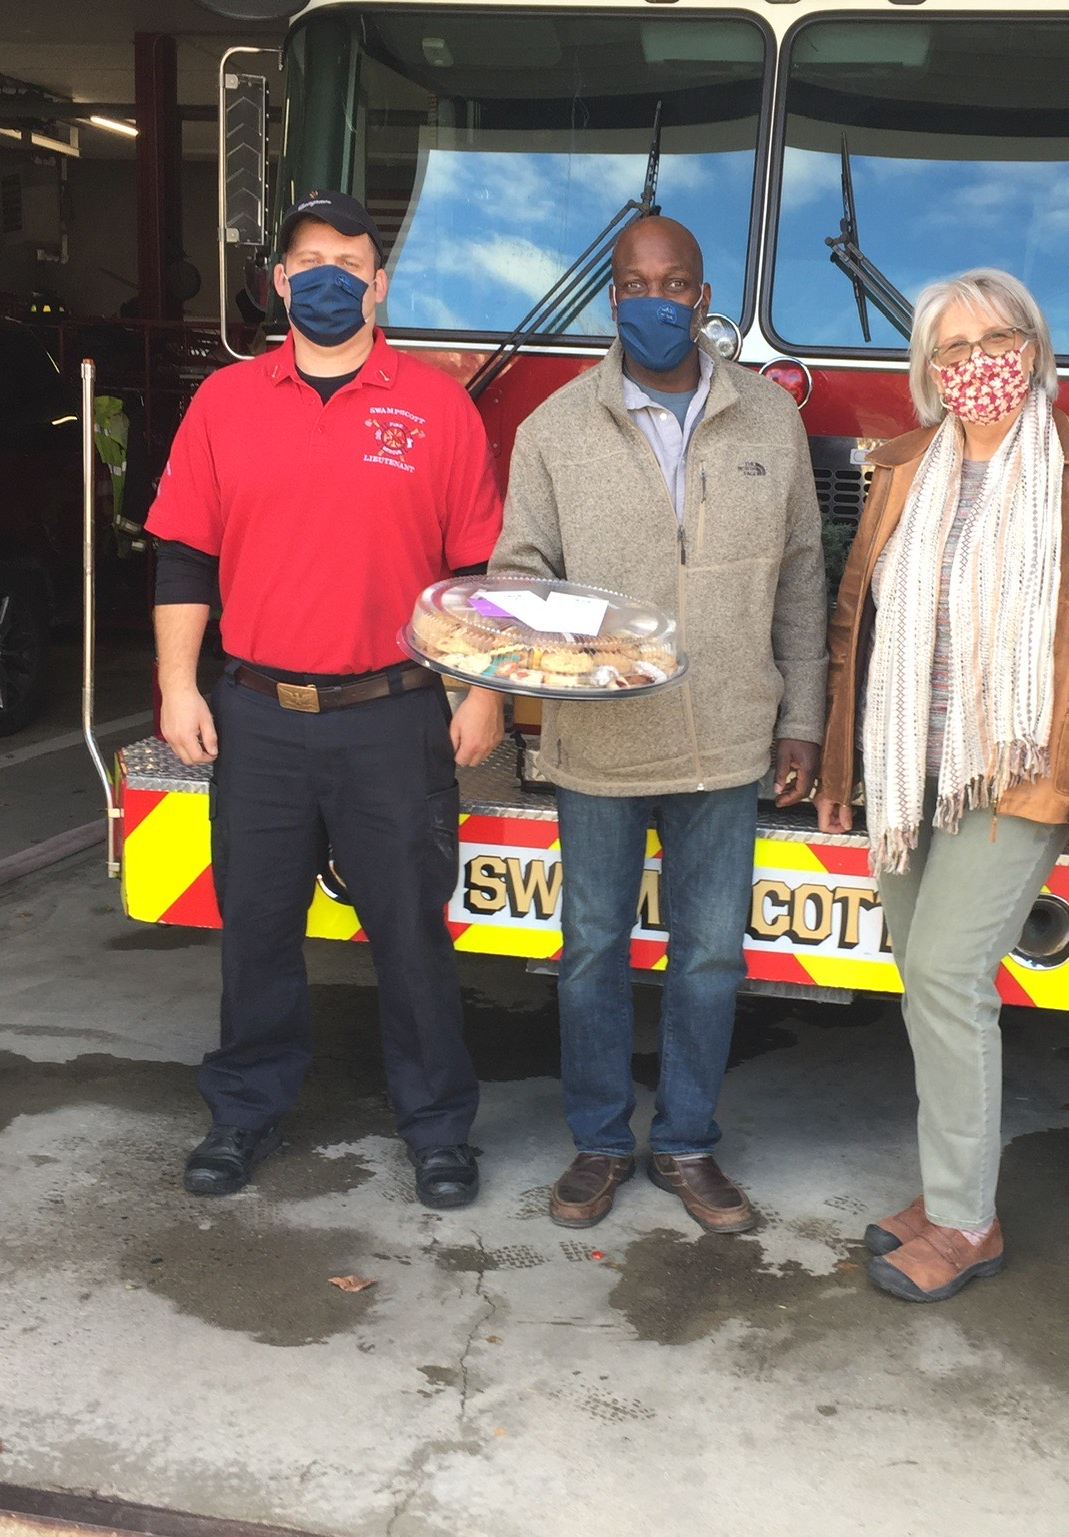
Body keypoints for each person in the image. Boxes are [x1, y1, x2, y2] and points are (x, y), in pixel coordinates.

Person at [143, 191, 507, 1207]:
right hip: (257, 716)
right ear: (278, 282)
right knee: (257, 930)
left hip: (394, 715)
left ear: (379, 285)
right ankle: (245, 1111)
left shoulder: (438, 406)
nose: (327, 279)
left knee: (411, 935)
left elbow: (476, 573)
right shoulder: (225, 402)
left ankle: (438, 1130)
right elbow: (184, 556)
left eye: (349, 263)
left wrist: (479, 694)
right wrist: (177, 685)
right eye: (308, 262)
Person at [815, 269, 1069, 1303]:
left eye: (997, 341)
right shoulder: (903, 464)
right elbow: (854, 622)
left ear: (1034, 347)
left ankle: (968, 1221)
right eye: (954, 348)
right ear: (929, 367)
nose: (978, 365)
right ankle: (946, 1187)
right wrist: (840, 768)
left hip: (1015, 769)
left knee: (948, 977)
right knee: (923, 980)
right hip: (905, 770)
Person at [488, 215, 828, 1234]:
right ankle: (598, 1142)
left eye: (673, 284)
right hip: (598, 743)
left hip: (727, 738)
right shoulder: (553, 427)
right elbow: (519, 574)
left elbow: (801, 579)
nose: (655, 300)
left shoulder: (768, 419)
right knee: (591, 948)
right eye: (635, 284)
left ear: (702, 297)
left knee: (710, 953)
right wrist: (554, 651)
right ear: (612, 298)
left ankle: (686, 1142)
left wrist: (802, 718)